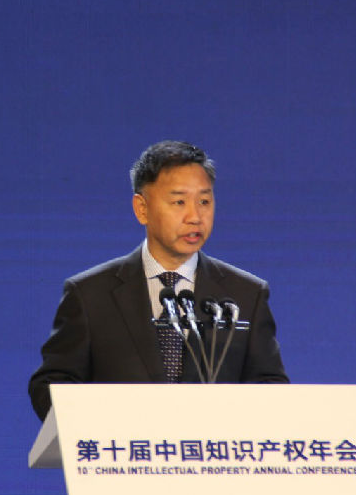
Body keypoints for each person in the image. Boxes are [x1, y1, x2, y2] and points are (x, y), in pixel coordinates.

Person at [28, 140, 288, 420]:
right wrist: (100, 424)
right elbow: (51, 385)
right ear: (142, 208)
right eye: (179, 202)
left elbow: (271, 389)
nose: (195, 217)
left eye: (204, 201)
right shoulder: (90, 295)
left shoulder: (246, 295)